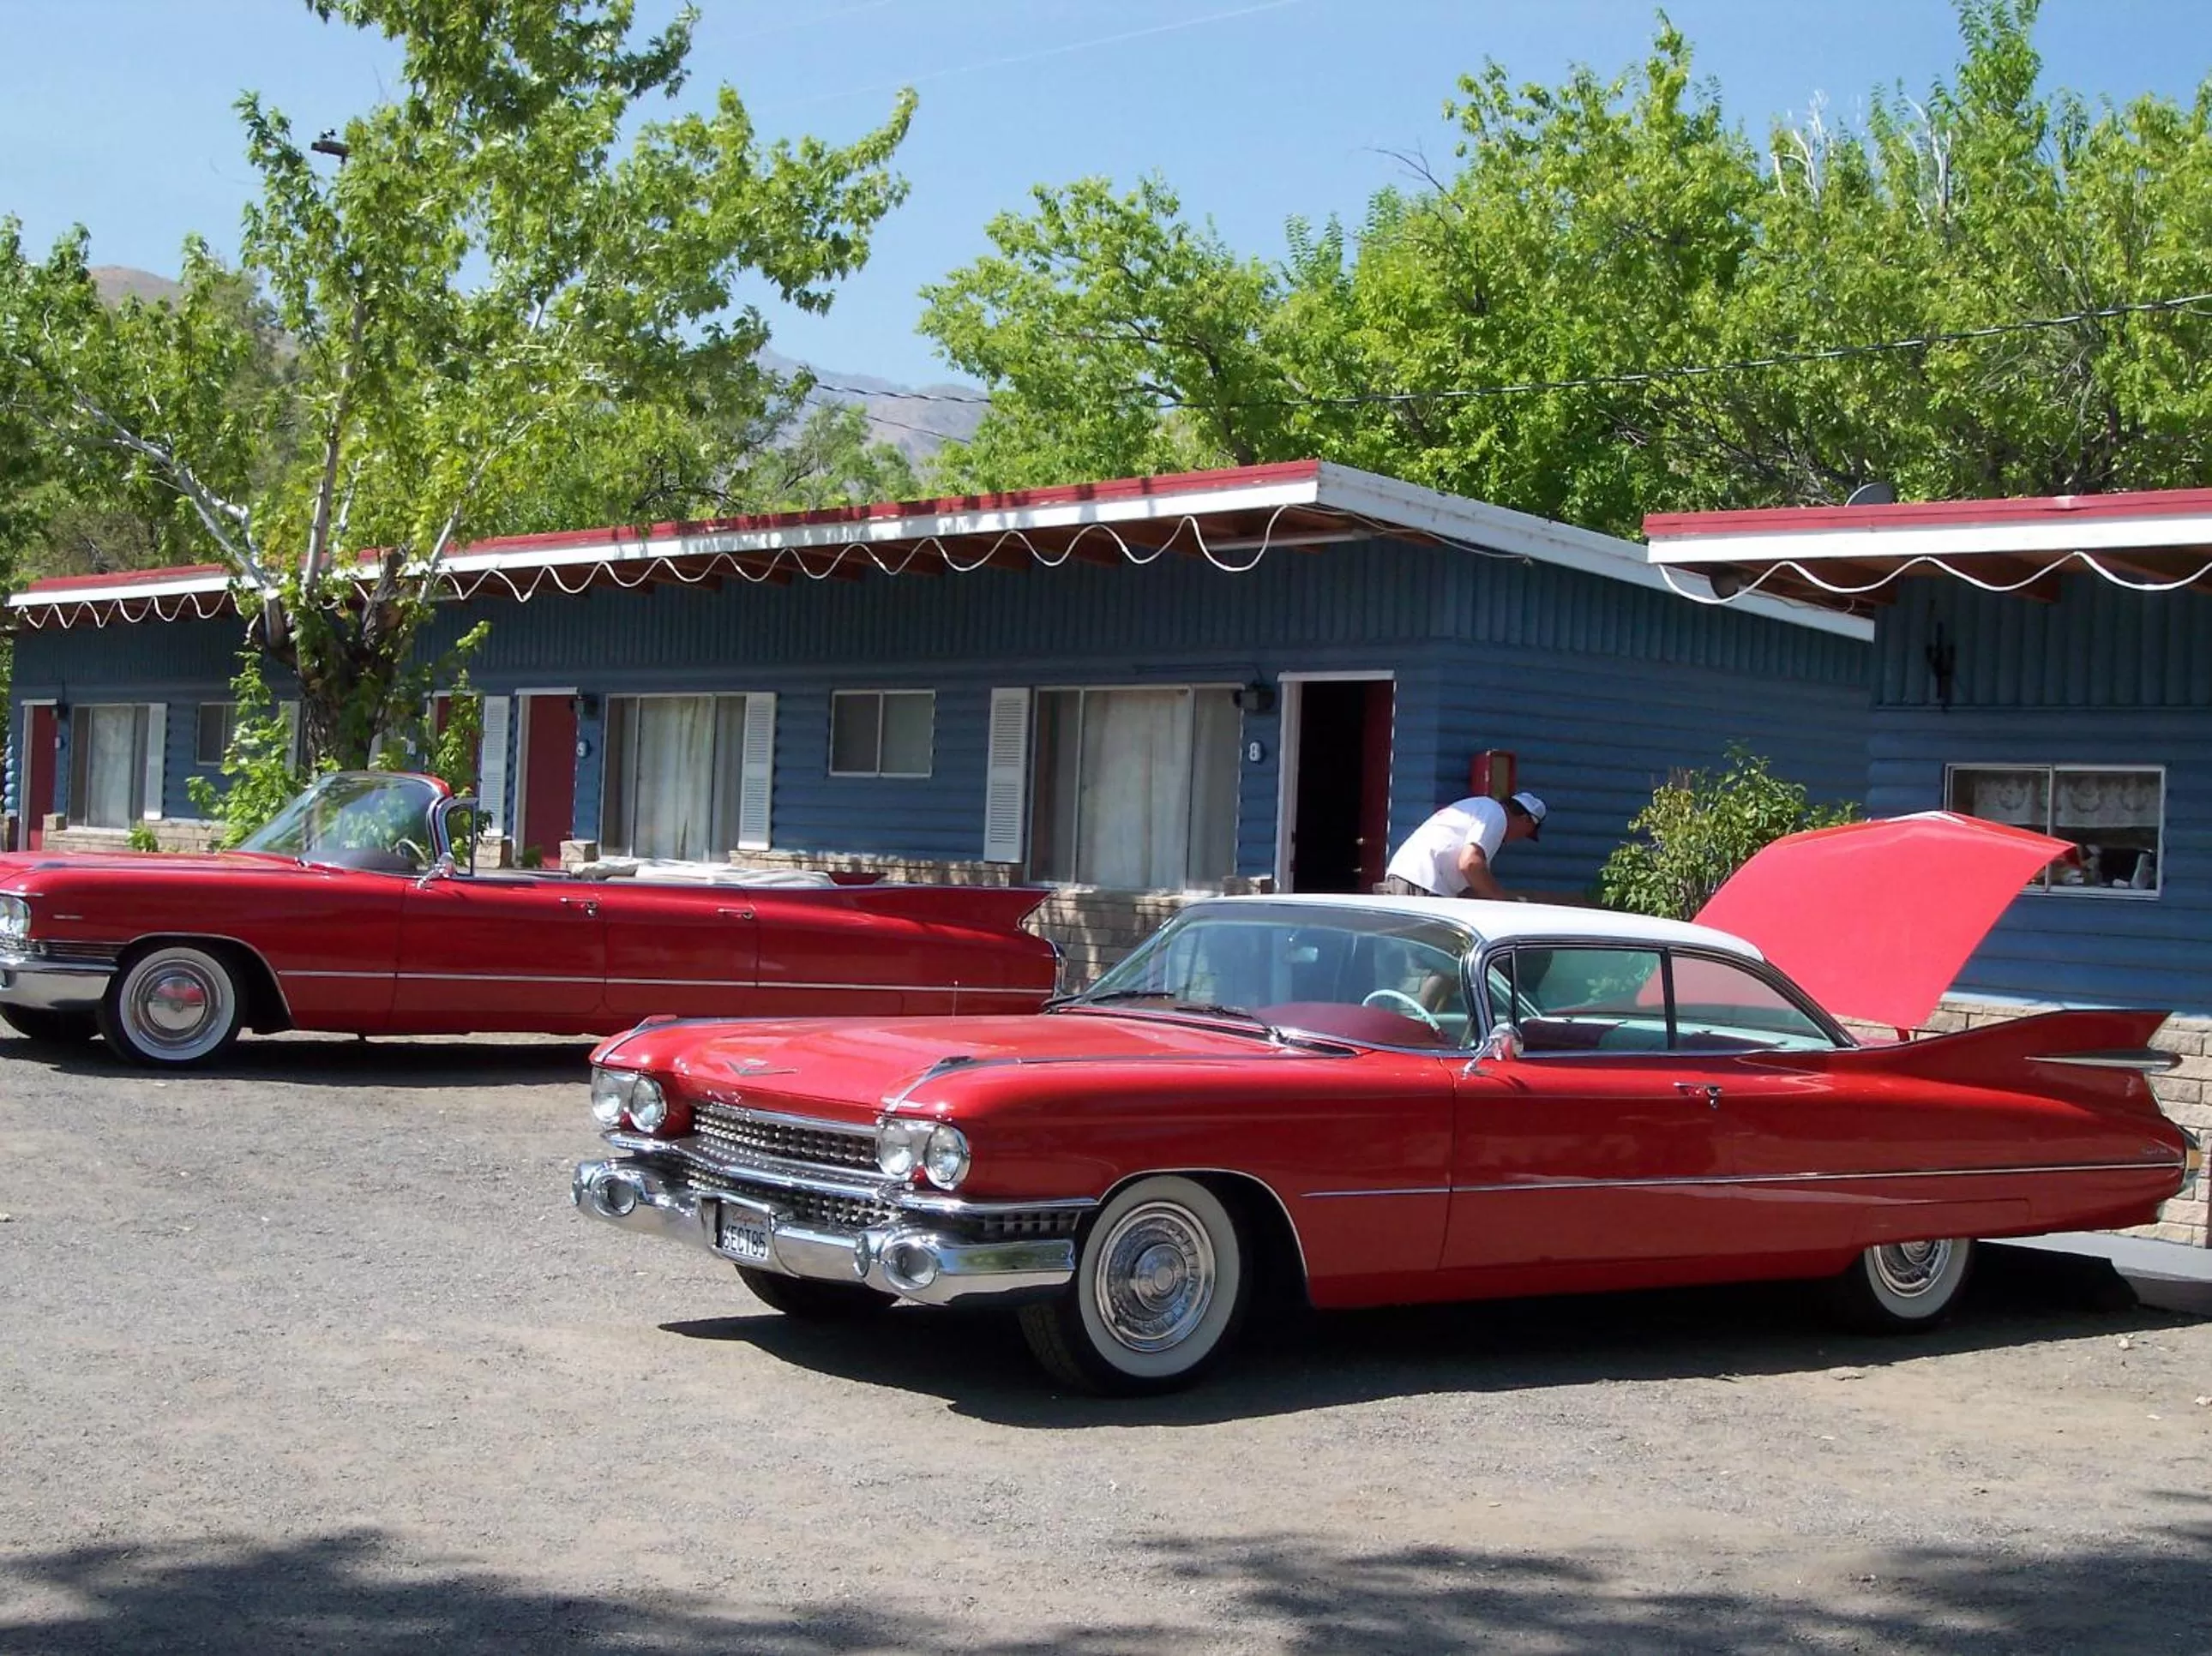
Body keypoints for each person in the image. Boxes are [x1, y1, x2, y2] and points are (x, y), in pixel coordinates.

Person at [1381, 789, 1547, 900]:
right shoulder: (1496, 813)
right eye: (1526, 833)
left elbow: (1470, 879)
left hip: (1405, 878)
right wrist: (1504, 902)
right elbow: (1470, 864)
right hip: (1423, 884)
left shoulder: (1480, 807)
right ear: (1526, 819)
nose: (1518, 839)